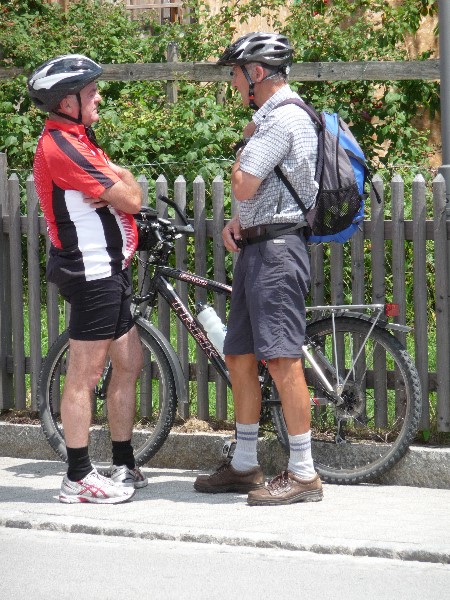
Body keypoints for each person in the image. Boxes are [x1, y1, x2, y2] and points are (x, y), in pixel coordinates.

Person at [194, 32, 323, 506]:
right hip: (258, 247)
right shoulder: (272, 118)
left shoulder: (281, 119)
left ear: (258, 74)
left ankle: (304, 473)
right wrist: (239, 222)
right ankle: (246, 464)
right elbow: (261, 195)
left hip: (276, 254)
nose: (232, 81)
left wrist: (242, 152)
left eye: (235, 72)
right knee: (241, 356)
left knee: (283, 359)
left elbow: (245, 183)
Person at [27, 54, 147, 504]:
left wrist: (118, 182)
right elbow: (131, 198)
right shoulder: (62, 147)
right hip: (91, 270)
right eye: (91, 92)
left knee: (130, 362)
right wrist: (124, 180)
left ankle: (122, 463)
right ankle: (77, 477)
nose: (99, 96)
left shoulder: (80, 139)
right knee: (84, 376)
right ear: (67, 101)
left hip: (109, 268)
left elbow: (122, 193)